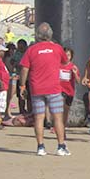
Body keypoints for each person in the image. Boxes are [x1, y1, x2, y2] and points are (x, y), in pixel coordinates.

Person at [17, 23, 71, 156]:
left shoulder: (31, 50)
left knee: (39, 118)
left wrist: (22, 85)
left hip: (37, 88)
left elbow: (24, 69)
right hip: (53, 88)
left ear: (37, 35)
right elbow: (65, 62)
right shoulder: (57, 48)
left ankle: (40, 147)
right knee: (57, 118)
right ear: (51, 35)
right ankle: (61, 146)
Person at [58, 48, 81, 131]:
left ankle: (63, 126)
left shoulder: (73, 67)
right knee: (60, 106)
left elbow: (78, 81)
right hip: (59, 90)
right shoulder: (57, 65)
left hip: (69, 91)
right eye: (65, 55)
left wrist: (75, 74)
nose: (66, 57)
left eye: (68, 55)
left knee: (66, 110)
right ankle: (57, 125)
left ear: (71, 57)